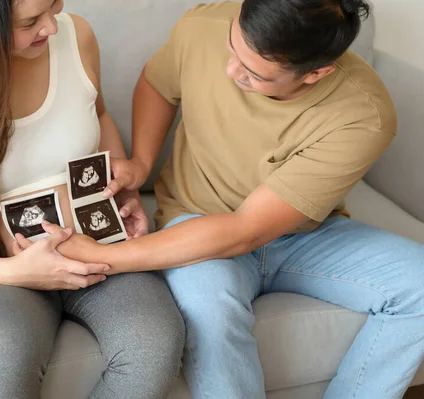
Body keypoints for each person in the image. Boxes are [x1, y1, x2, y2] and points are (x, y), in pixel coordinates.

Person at [44, 1, 424, 398]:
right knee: (210, 314)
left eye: (254, 74)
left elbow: (245, 230)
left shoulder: (363, 114)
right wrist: (140, 161)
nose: (231, 71)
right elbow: (158, 83)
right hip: (192, 221)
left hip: (300, 235)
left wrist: (105, 257)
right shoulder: (206, 23)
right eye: (232, 48)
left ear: (316, 73)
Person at [0, 0, 184, 398]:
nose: (51, 26)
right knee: (2, 358)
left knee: (154, 343)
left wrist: (125, 192)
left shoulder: (76, 35)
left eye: (54, 4)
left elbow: (97, 115)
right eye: (30, 21)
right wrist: (11, 274)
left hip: (95, 243)